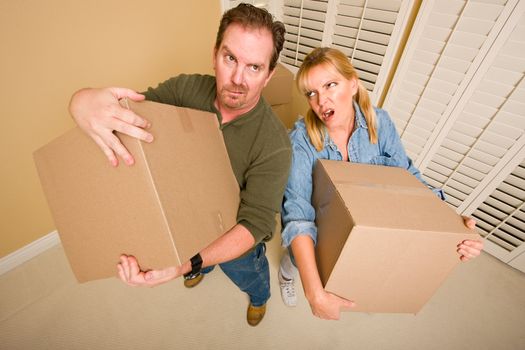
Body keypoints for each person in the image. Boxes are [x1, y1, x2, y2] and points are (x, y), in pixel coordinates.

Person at [69, 3, 291, 327]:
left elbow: (255, 224)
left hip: (235, 238)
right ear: (214, 54)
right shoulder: (186, 89)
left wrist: (185, 264)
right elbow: (124, 113)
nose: (238, 79)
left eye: (254, 67)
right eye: (230, 58)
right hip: (186, 217)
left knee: (250, 274)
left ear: (269, 74)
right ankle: (201, 266)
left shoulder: (275, 145)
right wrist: (81, 102)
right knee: (197, 257)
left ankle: (259, 298)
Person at [277, 47, 484, 320]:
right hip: (321, 227)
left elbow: (408, 179)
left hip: (362, 225)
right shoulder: (301, 140)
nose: (321, 100)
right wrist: (314, 292)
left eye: (330, 85)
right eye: (312, 93)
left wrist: (452, 226)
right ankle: (285, 274)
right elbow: (298, 215)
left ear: (353, 84)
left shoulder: (380, 123)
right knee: (296, 260)